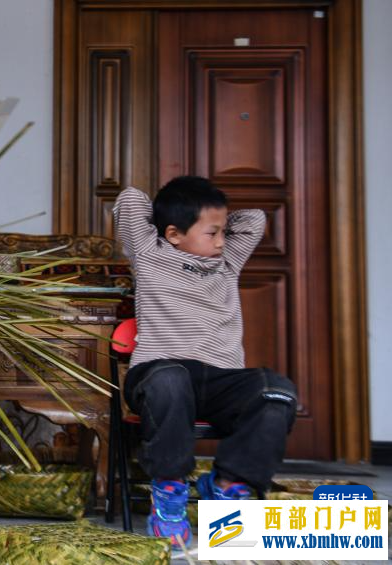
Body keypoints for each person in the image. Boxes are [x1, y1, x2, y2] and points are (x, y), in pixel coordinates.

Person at [112, 176, 298, 549]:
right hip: (159, 372)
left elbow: (255, 219)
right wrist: (177, 212)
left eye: (223, 232)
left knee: (277, 391)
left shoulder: (226, 263)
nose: (221, 241)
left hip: (219, 379)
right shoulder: (150, 253)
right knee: (171, 380)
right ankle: (168, 493)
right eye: (212, 233)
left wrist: (212, 217)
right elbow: (130, 199)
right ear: (173, 234)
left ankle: (228, 485)